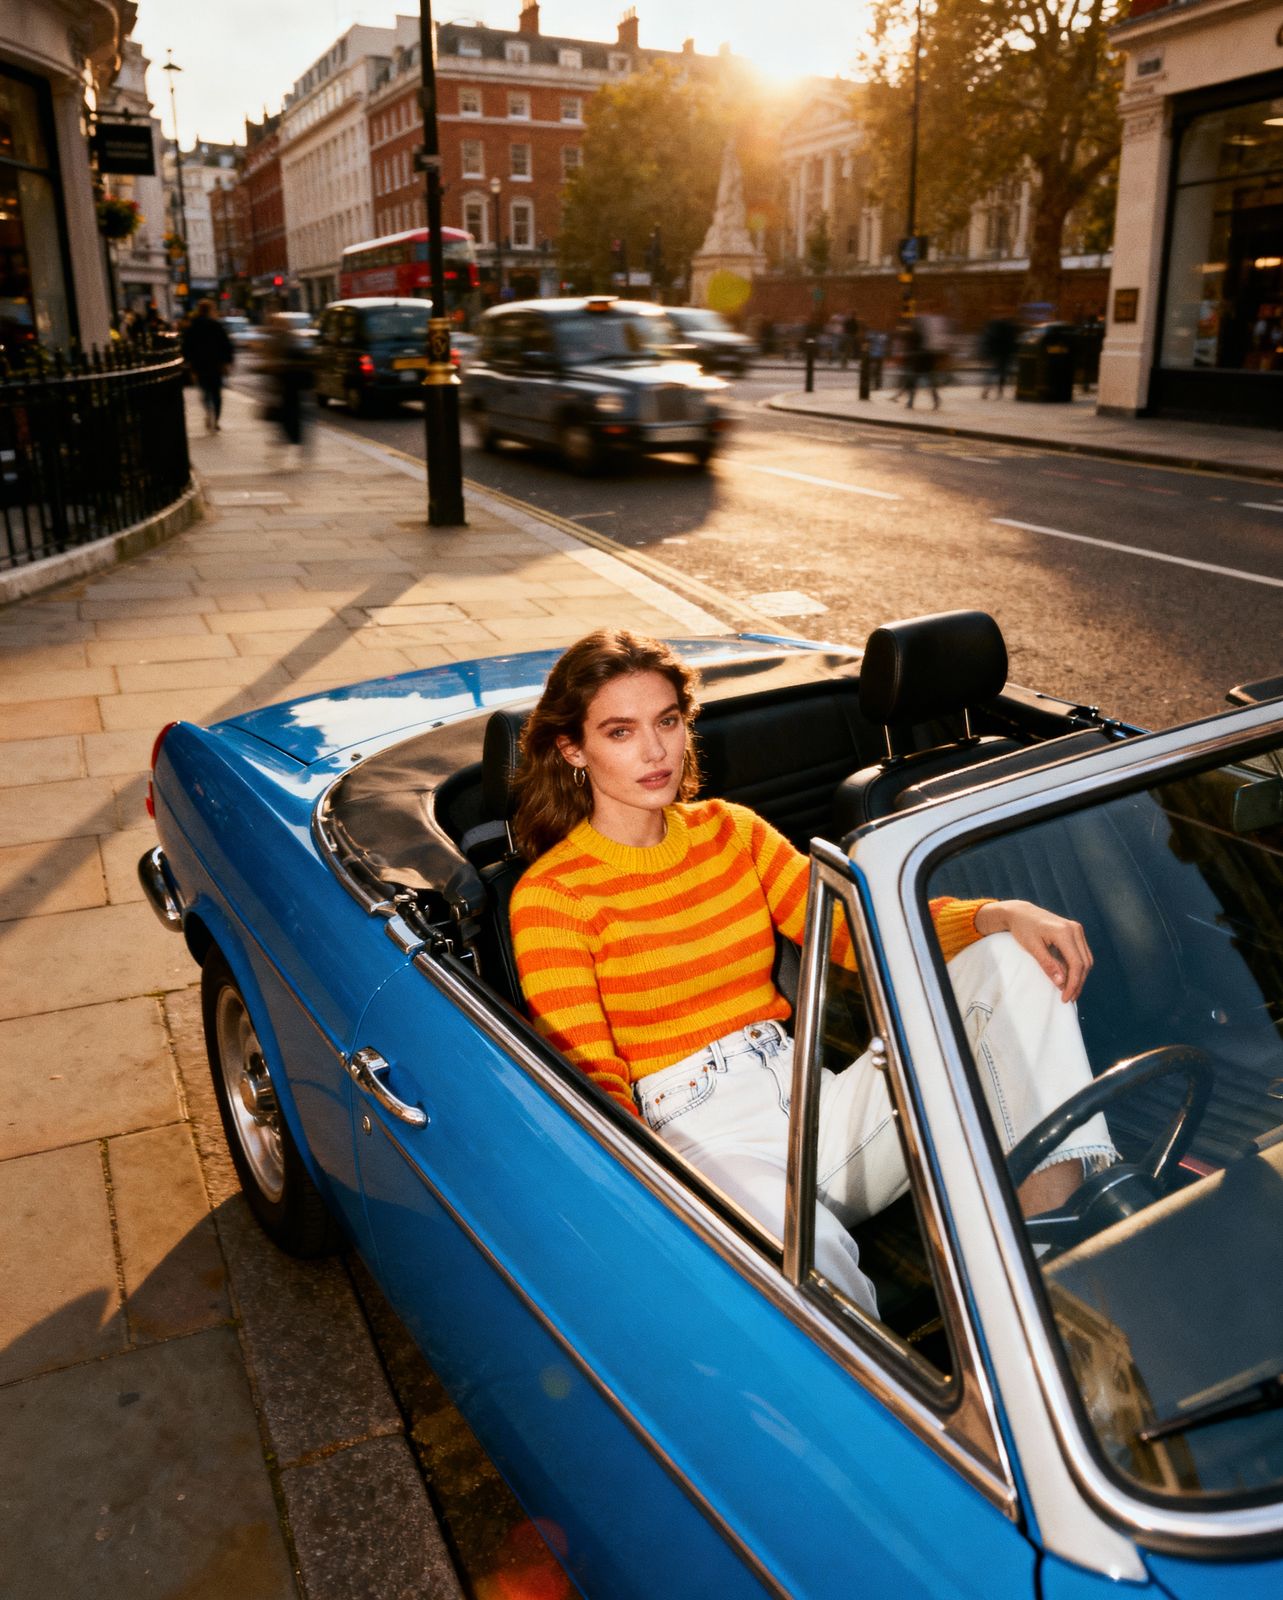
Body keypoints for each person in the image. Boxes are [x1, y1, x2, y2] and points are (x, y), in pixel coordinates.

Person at [508, 630, 1117, 1316]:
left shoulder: (729, 830)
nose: (655, 752)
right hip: (701, 1138)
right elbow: (588, 1074)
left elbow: (855, 933)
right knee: (814, 1278)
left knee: (1014, 960)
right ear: (572, 749)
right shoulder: (551, 897)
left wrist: (996, 915)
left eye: (667, 721)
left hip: (812, 1106)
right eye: (620, 731)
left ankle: (1058, 1278)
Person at [257, 312, 314, 466]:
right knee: (289, 419)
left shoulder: (280, 340)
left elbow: (272, 363)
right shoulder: (288, 338)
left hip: (286, 385)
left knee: (287, 419)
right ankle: (295, 448)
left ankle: (288, 448)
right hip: (288, 386)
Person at [180, 298, 233, 432]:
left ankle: (208, 412)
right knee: (216, 393)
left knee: (205, 391)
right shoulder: (216, 325)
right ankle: (216, 419)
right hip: (216, 364)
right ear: (210, 310)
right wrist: (227, 362)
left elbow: (187, 346)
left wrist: (189, 363)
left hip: (200, 364)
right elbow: (226, 345)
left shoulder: (193, 326)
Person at [980, 314, 1019, 399]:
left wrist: (987, 354)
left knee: (992, 372)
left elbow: (988, 342)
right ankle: (1000, 391)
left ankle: (987, 389)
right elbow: (1013, 343)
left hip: (996, 353)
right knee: (1004, 373)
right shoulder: (1010, 328)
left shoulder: (994, 328)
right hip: (1006, 354)